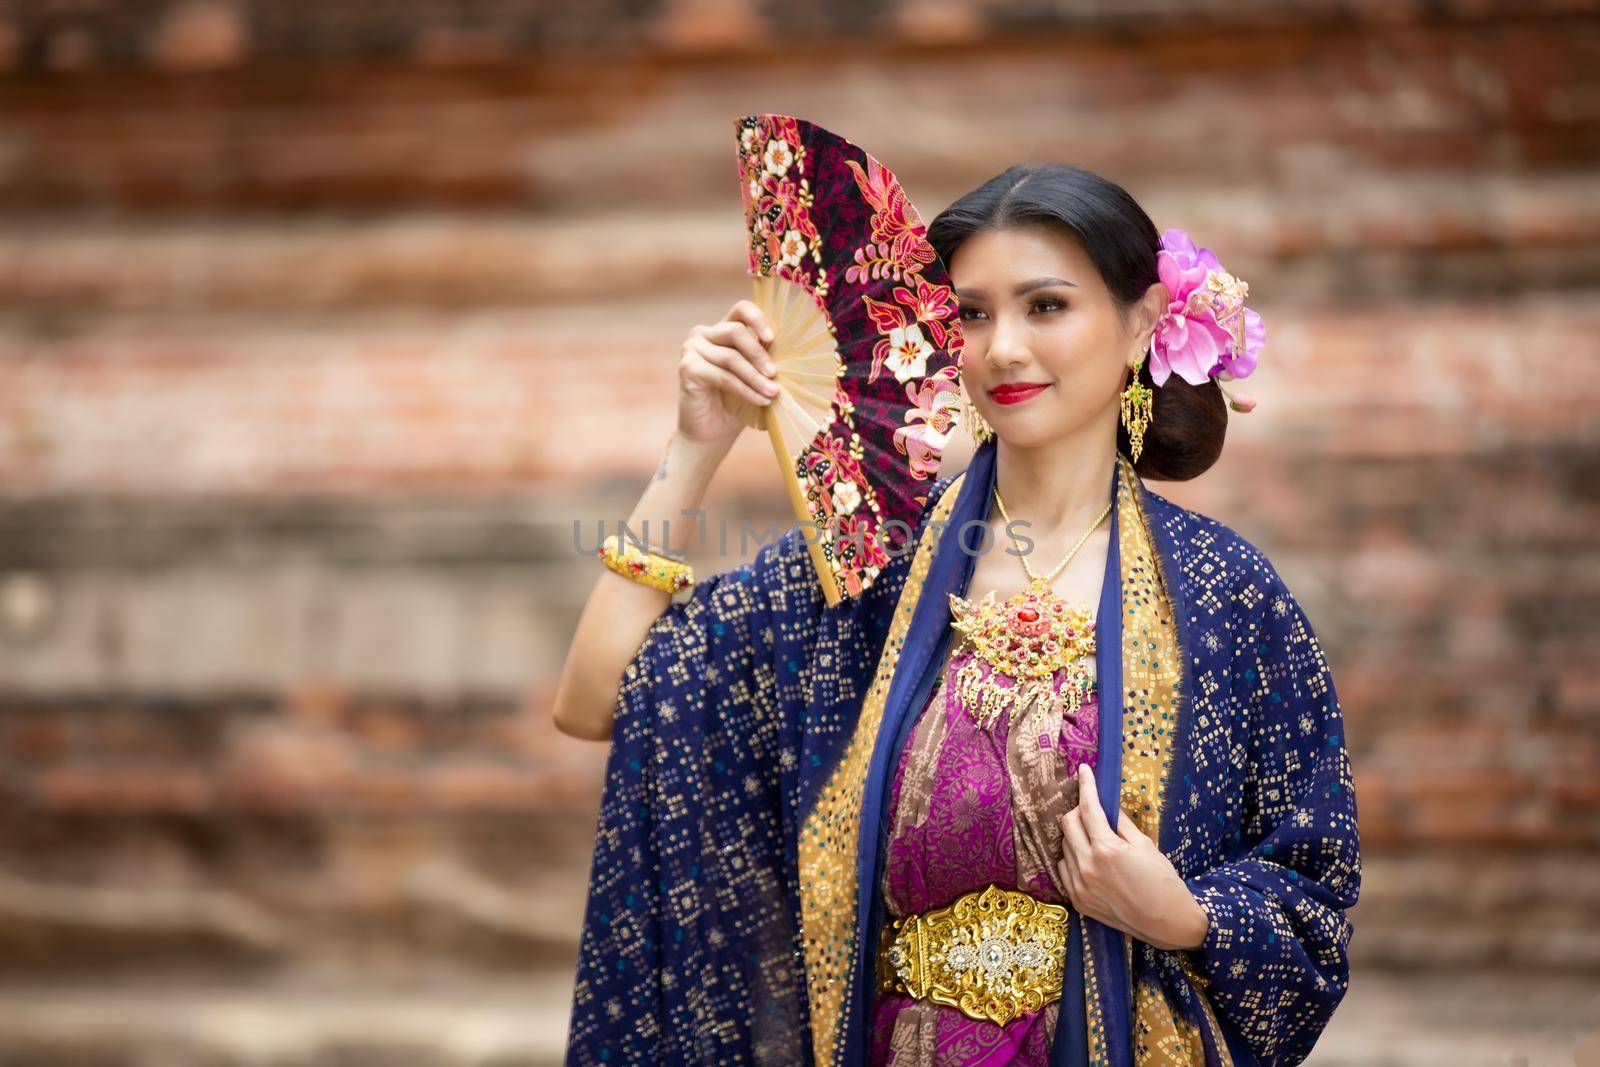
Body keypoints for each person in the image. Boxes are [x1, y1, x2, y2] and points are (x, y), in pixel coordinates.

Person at [556, 163, 1361, 1067]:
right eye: (972, 313)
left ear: (1142, 325)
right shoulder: (870, 573)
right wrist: (694, 446)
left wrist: (1184, 914)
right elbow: (598, 700)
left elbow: (1312, 897)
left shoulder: (1224, 596)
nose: (1003, 348)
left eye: (1046, 306)